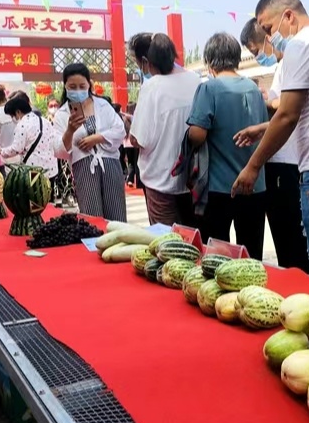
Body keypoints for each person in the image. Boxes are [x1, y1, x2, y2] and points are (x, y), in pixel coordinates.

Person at [232, 0, 309, 282]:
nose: (270, 39)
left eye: (269, 29)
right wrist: (262, 128)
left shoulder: (301, 45)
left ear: (288, 16)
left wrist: (253, 166)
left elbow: (287, 114)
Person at [236, 18, 309, 273]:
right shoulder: (282, 64)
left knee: (292, 243)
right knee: (289, 242)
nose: (258, 57)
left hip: (286, 164)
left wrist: (270, 103)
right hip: (288, 163)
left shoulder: (292, 59)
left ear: (267, 36)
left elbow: (288, 111)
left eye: (256, 51)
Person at [187, 32, 268, 259]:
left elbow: (197, 135)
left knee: (217, 256)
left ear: (209, 61)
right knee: (251, 255)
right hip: (254, 184)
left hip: (219, 187)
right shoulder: (253, 89)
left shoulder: (209, 89)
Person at [129, 33, 201, 227]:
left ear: (146, 61)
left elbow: (138, 139)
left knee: (166, 246)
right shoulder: (196, 80)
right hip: (192, 181)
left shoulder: (152, 86)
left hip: (160, 181)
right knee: (192, 242)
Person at [53, 63, 127, 221]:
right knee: (92, 216)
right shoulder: (61, 114)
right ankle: (95, 245)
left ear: (89, 84)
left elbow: (119, 130)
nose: (78, 90)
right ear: (65, 86)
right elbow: (59, 150)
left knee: (117, 215)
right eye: (72, 86)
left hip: (110, 164)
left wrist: (97, 138)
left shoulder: (102, 105)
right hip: (83, 167)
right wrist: (70, 130)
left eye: (82, 86)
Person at [0, 92, 58, 183]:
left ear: (18, 112)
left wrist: (1, 151)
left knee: (36, 195)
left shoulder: (22, 125)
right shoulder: (44, 121)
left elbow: (16, 149)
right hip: (51, 169)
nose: (13, 118)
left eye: (12, 115)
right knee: (49, 195)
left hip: (35, 170)